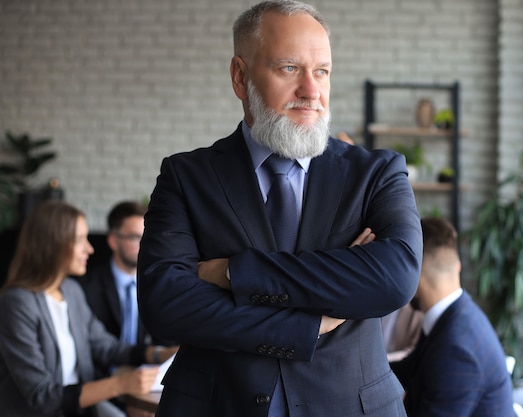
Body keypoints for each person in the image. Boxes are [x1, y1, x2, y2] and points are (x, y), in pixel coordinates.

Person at [137, 1, 422, 416]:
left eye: (321, 71)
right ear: (240, 76)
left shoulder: (376, 173)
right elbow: (165, 306)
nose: (311, 91)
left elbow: (395, 279)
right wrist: (309, 322)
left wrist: (235, 273)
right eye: (289, 68)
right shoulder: (186, 177)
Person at [0, 201, 161, 417]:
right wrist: (121, 384)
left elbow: (106, 347)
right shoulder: (17, 303)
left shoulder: (71, 291)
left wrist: (158, 353)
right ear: (53, 244)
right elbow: (42, 396)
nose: (90, 248)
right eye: (79, 240)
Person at [390, 217, 515, 417]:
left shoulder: (456, 347)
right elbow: (410, 368)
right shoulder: (455, 314)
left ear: (413, 273)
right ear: (457, 266)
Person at [77, 201, 178, 380]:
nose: (145, 245)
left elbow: (166, 338)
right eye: (134, 237)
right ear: (113, 241)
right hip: (101, 382)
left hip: (147, 378)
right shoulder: (86, 287)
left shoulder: (159, 285)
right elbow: (89, 350)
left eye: (148, 237)